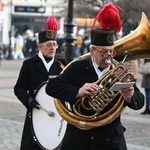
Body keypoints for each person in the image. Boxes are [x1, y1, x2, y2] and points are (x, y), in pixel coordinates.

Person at [45, 3, 144, 150]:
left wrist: (130, 96)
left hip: (110, 140)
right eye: (104, 52)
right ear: (92, 51)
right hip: (79, 139)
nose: (109, 56)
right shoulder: (77, 67)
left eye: (112, 51)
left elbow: (140, 101)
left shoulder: (119, 71)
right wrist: (78, 91)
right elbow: (51, 87)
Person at [14, 16, 64, 150]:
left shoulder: (62, 64)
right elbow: (19, 88)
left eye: (54, 44)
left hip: (57, 113)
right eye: (48, 45)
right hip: (36, 111)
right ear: (40, 47)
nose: (52, 48)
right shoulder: (29, 64)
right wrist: (28, 99)